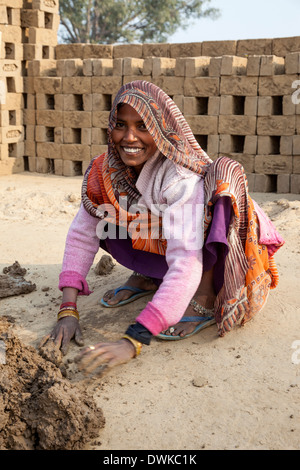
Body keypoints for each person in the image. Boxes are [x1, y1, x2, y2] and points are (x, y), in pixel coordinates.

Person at [41, 80, 284, 374]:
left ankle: (204, 297)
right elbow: (82, 232)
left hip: (222, 237)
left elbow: (186, 260)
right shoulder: (105, 168)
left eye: (143, 126)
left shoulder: (179, 177)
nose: (129, 137)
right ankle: (149, 275)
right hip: (166, 228)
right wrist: (68, 310)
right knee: (109, 210)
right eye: (120, 124)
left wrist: (134, 339)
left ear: (161, 130)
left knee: (211, 204)